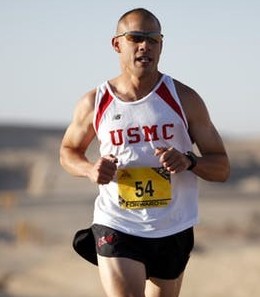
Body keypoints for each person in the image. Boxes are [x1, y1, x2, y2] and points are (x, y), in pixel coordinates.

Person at [60, 7, 230, 297]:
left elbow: (221, 167)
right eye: (136, 37)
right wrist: (90, 169)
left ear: (161, 46)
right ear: (117, 44)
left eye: (153, 39)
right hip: (117, 222)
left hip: (172, 227)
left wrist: (189, 161)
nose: (145, 46)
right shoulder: (95, 103)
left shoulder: (184, 99)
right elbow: (68, 151)